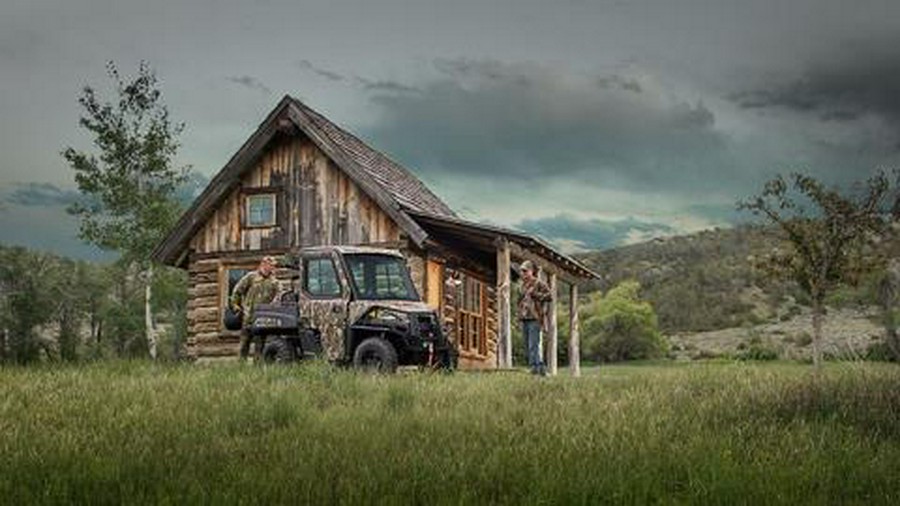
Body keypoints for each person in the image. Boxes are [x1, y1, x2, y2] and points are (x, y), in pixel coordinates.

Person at [230, 256, 280, 361]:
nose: (272, 267)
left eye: (273, 266)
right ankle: (240, 368)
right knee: (243, 345)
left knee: (260, 347)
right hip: (248, 317)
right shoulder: (251, 277)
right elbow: (237, 292)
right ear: (263, 264)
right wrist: (235, 306)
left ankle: (257, 371)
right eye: (270, 265)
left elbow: (279, 297)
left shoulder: (275, 282)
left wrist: (274, 304)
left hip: (262, 319)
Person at [517, 260, 552, 375]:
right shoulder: (522, 285)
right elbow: (520, 302)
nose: (523, 273)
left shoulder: (538, 283)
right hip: (524, 318)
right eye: (522, 271)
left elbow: (549, 296)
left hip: (535, 317)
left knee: (534, 344)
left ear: (531, 271)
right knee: (527, 345)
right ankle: (539, 369)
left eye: (525, 271)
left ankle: (535, 368)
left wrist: (536, 295)